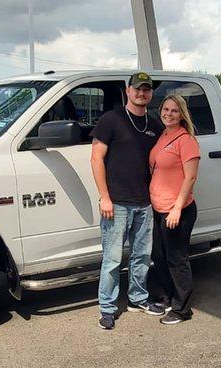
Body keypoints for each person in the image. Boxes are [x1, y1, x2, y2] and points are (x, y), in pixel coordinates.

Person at [90, 72, 165, 330]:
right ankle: (107, 308)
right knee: (112, 259)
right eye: (138, 89)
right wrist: (105, 197)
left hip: (145, 203)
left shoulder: (155, 124)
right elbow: (96, 158)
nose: (142, 93)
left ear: (150, 93)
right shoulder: (111, 119)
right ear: (128, 89)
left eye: (146, 90)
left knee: (142, 256)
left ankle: (138, 299)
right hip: (117, 203)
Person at [148, 94, 200, 325]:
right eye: (166, 109)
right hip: (159, 208)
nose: (168, 114)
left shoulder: (186, 140)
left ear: (182, 115)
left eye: (174, 111)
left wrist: (177, 209)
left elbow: (190, 178)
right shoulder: (163, 135)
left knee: (177, 259)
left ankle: (182, 309)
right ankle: (168, 297)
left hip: (177, 210)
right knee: (159, 256)